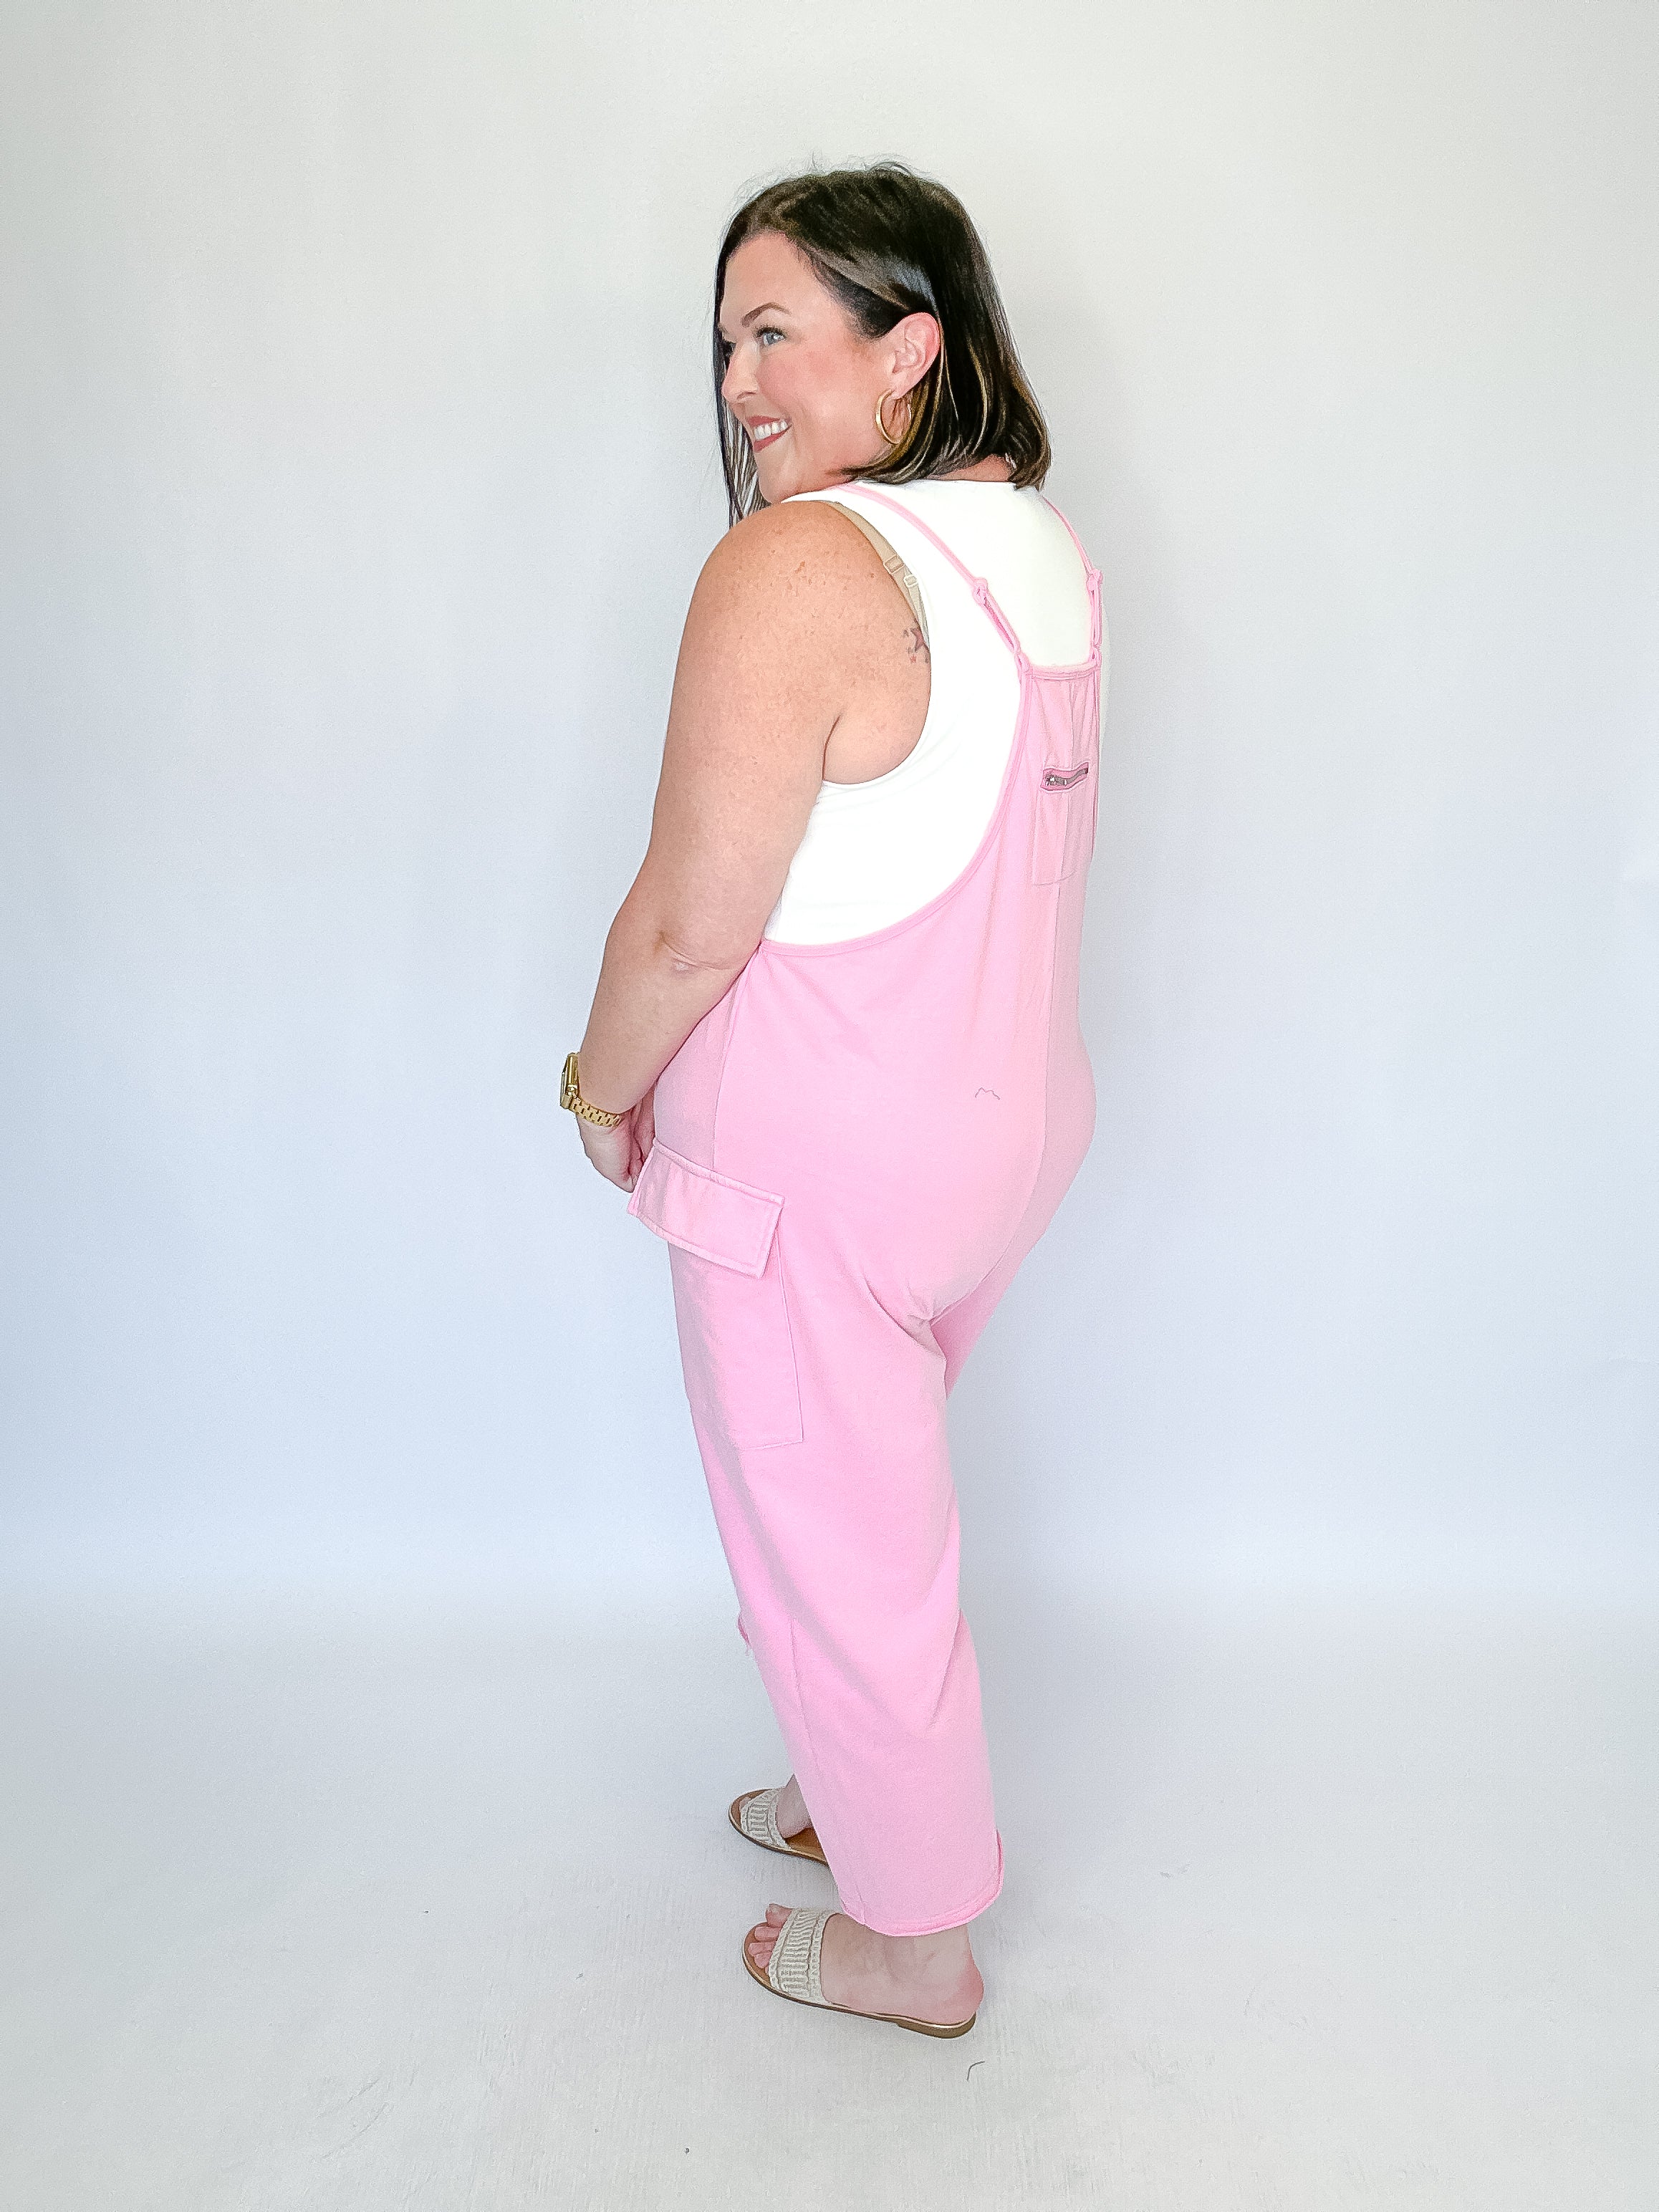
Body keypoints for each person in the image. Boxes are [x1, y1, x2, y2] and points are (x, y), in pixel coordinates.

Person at [563, 163, 1104, 2037]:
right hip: (1002, 1130)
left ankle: (913, 1941)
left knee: (838, 1544)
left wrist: (600, 1087)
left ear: (909, 348)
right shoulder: (1035, 548)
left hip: (821, 1160)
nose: (736, 383)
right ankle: (860, 1788)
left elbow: (687, 919)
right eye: (725, 343)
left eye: (774, 331)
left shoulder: (795, 565)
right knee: (866, 1513)